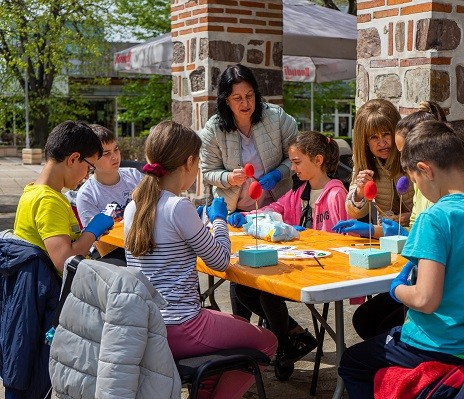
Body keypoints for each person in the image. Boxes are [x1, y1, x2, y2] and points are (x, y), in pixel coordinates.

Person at [338, 120, 464, 398]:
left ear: (425, 169)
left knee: (352, 362)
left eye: (415, 180)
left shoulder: (434, 218)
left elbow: (426, 300)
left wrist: (397, 288)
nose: (418, 188)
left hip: (438, 345)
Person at [123, 120, 277, 399]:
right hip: (183, 326)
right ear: (190, 162)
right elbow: (220, 261)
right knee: (267, 341)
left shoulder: (135, 205)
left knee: (234, 321)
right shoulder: (178, 206)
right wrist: (219, 220)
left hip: (150, 325)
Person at [351, 101, 464, 340]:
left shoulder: (461, 187)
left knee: (372, 336)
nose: (402, 161)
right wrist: (388, 231)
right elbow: (418, 227)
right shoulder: (425, 180)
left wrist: (398, 287)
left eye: (403, 152)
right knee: (366, 319)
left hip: (454, 298)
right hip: (432, 279)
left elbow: (430, 293)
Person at [228, 131, 347, 377]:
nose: (292, 168)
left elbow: (341, 243)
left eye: (297, 162)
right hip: (296, 266)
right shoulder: (299, 192)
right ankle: (294, 337)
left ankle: (285, 345)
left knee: (269, 296)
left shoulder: (336, 194)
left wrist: (308, 236)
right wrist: (249, 216)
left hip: (322, 272)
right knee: (243, 288)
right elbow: (275, 209)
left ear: (318, 160)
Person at [199, 63, 298, 320]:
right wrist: (228, 177)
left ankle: (282, 336)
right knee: (239, 275)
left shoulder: (276, 117)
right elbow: (207, 171)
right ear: (226, 101)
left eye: (250, 95)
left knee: (271, 275)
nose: (245, 103)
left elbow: (297, 157)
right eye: (237, 98)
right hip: (236, 212)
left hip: (273, 211)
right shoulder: (214, 128)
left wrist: (279, 173)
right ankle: (244, 337)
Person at [13, 120, 114, 273]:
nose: (87, 176)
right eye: (88, 167)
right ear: (73, 159)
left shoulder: (32, 191)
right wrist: (92, 231)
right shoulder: (49, 201)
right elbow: (65, 261)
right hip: (62, 292)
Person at [332, 99, 413, 239]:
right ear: (364, 141)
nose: (382, 142)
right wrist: (359, 191)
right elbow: (354, 212)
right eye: (374, 137)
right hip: (387, 236)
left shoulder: (412, 157)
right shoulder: (364, 162)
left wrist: (412, 216)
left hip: (418, 232)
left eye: (387, 134)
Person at [75, 124, 143, 263]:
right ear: (92, 159)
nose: (115, 157)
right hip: (111, 252)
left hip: (141, 242)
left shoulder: (134, 176)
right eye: (106, 153)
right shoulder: (87, 194)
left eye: (116, 150)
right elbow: (97, 240)